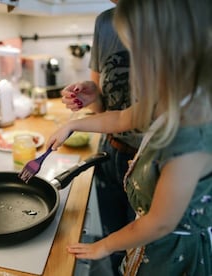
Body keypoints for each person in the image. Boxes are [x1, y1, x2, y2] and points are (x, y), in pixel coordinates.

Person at [48, 0, 212, 274]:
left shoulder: (191, 135)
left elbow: (160, 222)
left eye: (139, 53)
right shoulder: (171, 99)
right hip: (148, 244)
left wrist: (105, 245)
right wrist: (72, 125)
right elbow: (122, 117)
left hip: (173, 255)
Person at [62, 1, 139, 274]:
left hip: (152, 162)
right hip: (112, 152)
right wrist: (89, 94)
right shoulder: (105, 22)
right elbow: (106, 108)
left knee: (142, 253)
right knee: (116, 244)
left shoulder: (175, 18)